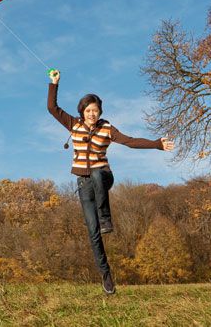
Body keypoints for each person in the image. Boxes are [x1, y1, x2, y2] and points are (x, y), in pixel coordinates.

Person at [46, 69, 174, 295]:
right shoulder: (73, 125)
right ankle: (106, 276)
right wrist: (54, 83)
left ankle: (106, 217)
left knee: (96, 173)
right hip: (83, 184)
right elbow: (52, 109)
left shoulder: (107, 128)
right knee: (93, 232)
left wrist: (156, 144)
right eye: (88, 110)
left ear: (100, 111)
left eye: (95, 110)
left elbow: (130, 141)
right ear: (82, 111)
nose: (92, 114)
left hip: (103, 176)